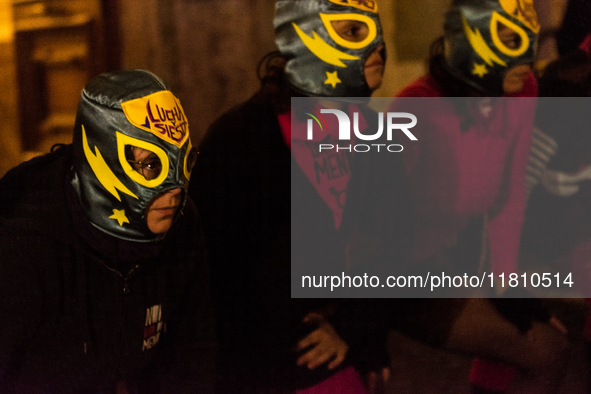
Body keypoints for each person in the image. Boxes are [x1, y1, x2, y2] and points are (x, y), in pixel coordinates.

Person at [190, 0, 409, 392]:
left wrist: (356, 333)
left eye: (376, 32)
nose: (378, 49)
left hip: (323, 326)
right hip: (254, 352)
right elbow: (211, 280)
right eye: (355, 32)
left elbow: (392, 247)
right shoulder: (239, 139)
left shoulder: (374, 131)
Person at [387, 0, 570, 392]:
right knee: (545, 351)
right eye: (509, 40)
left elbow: (508, 200)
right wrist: (358, 326)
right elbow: (370, 224)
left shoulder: (521, 91)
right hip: (394, 273)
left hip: (446, 264)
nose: (527, 57)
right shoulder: (417, 108)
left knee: (548, 346)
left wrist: (506, 285)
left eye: (530, 41)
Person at [0, 69, 215, 393]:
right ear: (103, 156)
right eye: (151, 164)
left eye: (183, 162)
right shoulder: (23, 244)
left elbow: (192, 357)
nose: (175, 189)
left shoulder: (181, 223)